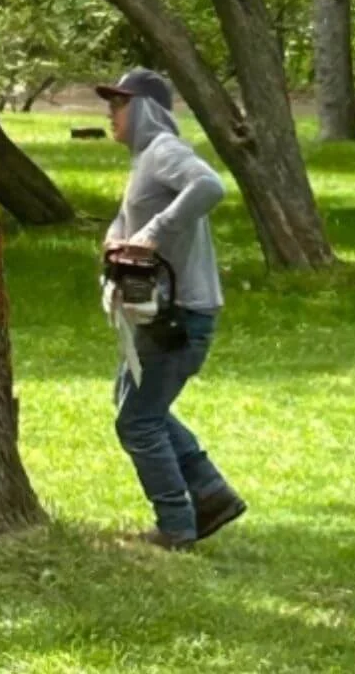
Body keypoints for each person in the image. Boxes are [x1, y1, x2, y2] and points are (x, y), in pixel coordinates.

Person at [97, 68, 247, 550]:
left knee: (137, 420)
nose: (111, 113)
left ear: (144, 109)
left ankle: (177, 526)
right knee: (141, 408)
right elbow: (130, 220)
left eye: (119, 104)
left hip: (180, 317)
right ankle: (211, 493)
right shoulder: (144, 161)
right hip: (156, 315)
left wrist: (153, 233)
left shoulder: (164, 151)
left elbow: (210, 186)